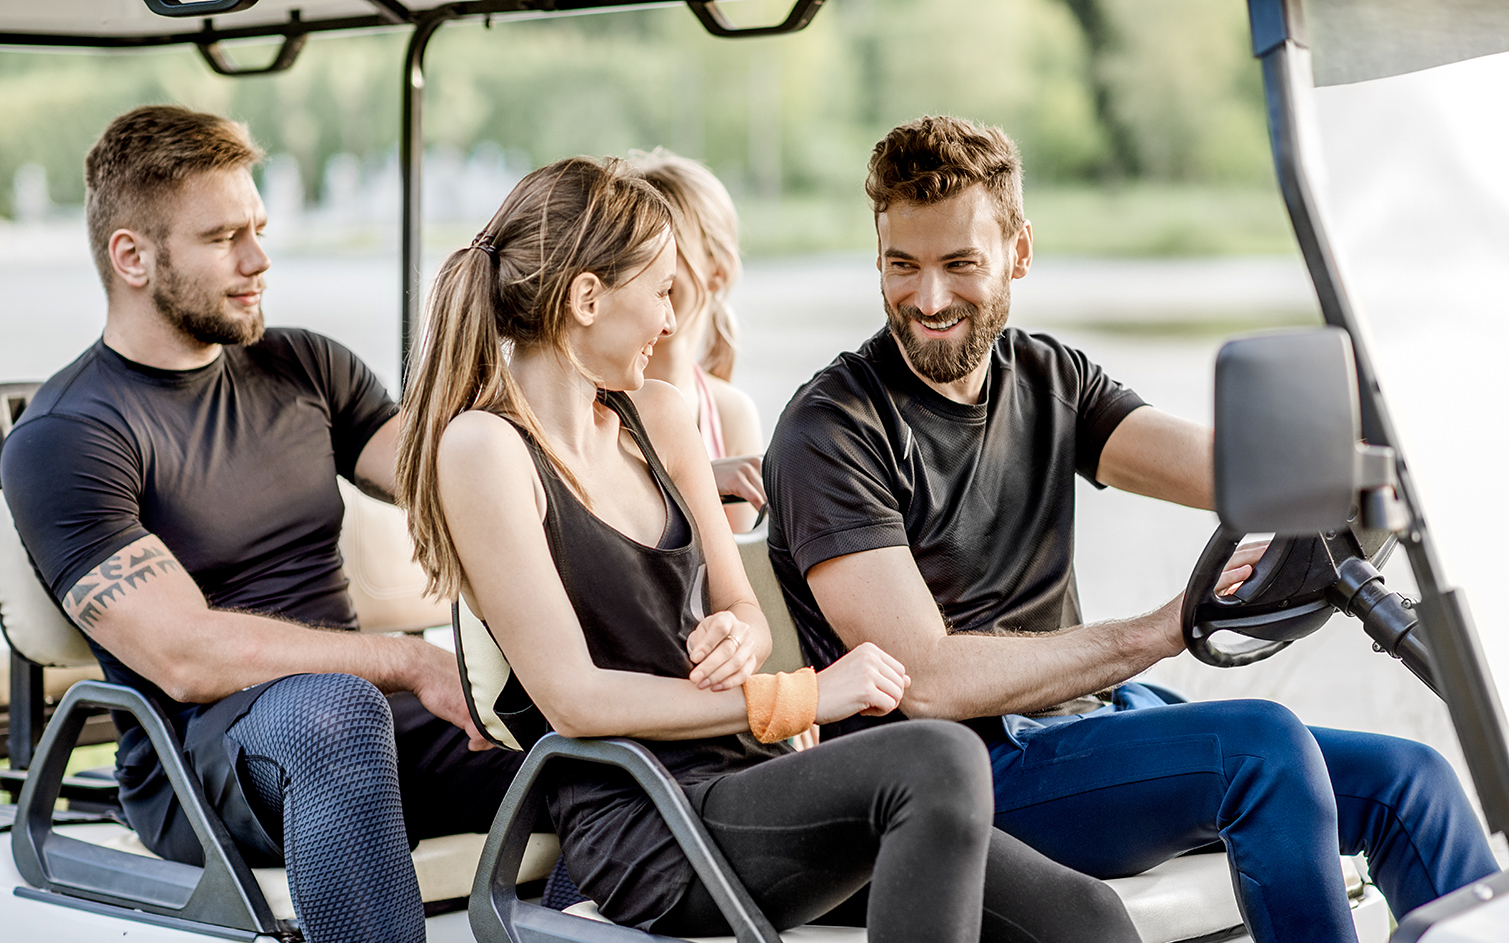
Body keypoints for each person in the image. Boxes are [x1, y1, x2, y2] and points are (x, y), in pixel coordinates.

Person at [762, 114, 1500, 943]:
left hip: (1084, 726)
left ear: (1019, 252)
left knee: (1412, 777)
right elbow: (925, 680)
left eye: (958, 264)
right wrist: (1157, 629)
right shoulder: (832, 430)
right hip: (952, 779)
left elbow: (1231, 470)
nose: (927, 299)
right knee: (1258, 747)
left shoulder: (1047, 378)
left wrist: (1387, 463)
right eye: (903, 266)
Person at [395, 154, 1141, 942]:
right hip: (650, 825)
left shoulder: (659, 414)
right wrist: (802, 697)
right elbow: (574, 698)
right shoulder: (484, 449)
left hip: (753, 781)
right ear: (587, 298)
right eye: (658, 292)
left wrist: (737, 636)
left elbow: (745, 612)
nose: (668, 319)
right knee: (937, 760)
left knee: (1083, 917)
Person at [0, 105, 521, 943]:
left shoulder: (305, 364)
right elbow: (186, 654)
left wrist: (655, 470)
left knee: (574, 726)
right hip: (203, 761)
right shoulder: (67, 436)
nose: (258, 260)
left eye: (258, 228)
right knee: (336, 712)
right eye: (222, 238)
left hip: (359, 722)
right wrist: (407, 659)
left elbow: (457, 482)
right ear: (131, 256)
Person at [630, 148, 764, 532]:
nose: (644, 271)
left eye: (666, 251)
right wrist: (703, 481)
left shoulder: (731, 414)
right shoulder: (588, 409)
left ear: (717, 272)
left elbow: (745, 568)